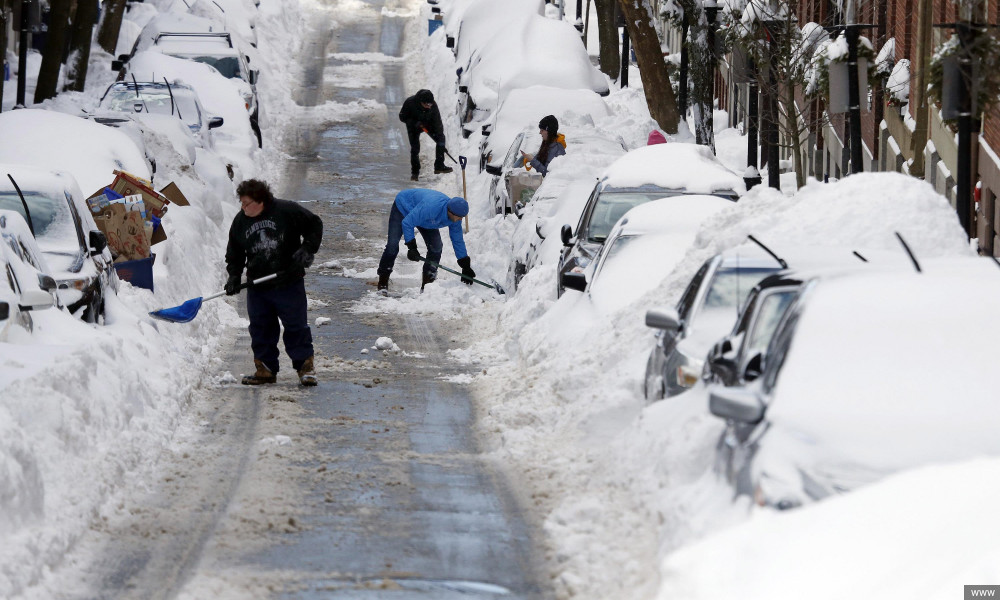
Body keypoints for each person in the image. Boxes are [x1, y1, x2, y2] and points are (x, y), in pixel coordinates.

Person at [225, 179, 324, 386]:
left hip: (289, 281)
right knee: (260, 328)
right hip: (258, 286)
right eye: (241, 204)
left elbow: (314, 224)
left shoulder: (286, 210)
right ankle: (265, 369)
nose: (242, 208)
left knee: (296, 326)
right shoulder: (241, 221)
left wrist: (307, 249)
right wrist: (234, 276)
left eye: (246, 203)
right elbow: (234, 253)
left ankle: (305, 368)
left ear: (260, 201)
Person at [376, 188, 474, 294]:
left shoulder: (456, 217)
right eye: (460, 217)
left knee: (436, 247)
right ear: (451, 212)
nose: (461, 219)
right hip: (404, 207)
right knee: (392, 245)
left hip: (426, 219)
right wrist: (412, 247)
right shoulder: (431, 208)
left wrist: (465, 265)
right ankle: (383, 281)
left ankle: (427, 287)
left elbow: (457, 240)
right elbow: (407, 223)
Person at [398, 89, 453, 181]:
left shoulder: (433, 106)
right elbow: (402, 117)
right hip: (413, 126)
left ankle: (439, 166)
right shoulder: (410, 102)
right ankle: (415, 173)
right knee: (415, 149)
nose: (429, 106)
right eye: (426, 104)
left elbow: (437, 123)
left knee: (441, 138)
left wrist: (441, 145)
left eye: (430, 104)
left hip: (427, 124)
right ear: (420, 102)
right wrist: (414, 123)